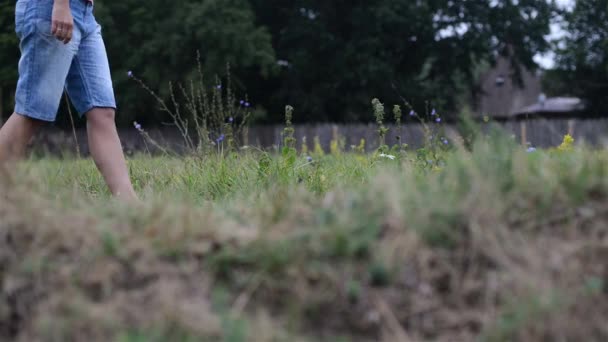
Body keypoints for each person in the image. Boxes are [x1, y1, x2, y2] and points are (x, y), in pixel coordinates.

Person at [0, 0, 138, 201]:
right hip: (51, 8)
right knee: (32, 112)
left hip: (85, 14)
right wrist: (62, 5)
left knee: (102, 111)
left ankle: (129, 203)